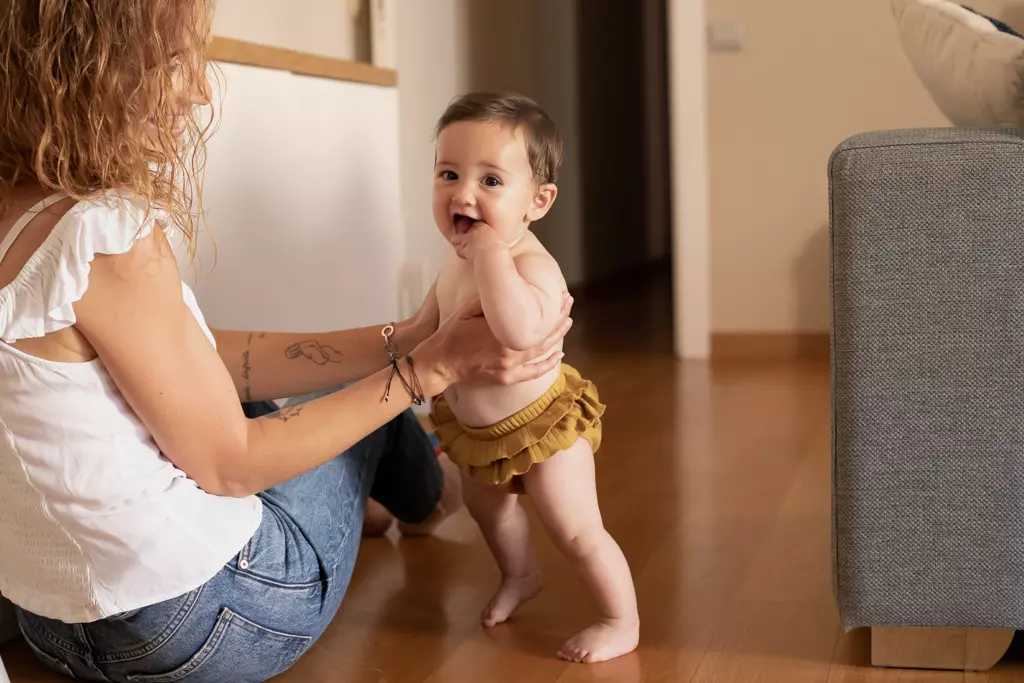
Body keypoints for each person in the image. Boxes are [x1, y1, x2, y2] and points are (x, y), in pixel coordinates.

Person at [0, 3, 571, 682]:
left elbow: (196, 358)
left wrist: (410, 339)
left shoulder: (21, 207)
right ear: (81, 68)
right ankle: (435, 497)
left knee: (306, 397)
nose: (200, 89)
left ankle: (400, 498)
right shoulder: (100, 233)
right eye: (174, 62)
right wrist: (430, 369)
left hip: (52, 622)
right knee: (367, 416)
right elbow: (231, 465)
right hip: (207, 621)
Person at [426, 92, 639, 664]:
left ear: (537, 202)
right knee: (488, 510)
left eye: (491, 181)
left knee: (574, 528)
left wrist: (493, 257)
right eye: (449, 173)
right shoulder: (455, 258)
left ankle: (621, 619)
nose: (463, 193)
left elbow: (518, 330)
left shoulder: (530, 264)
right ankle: (520, 575)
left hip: (545, 429)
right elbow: (428, 325)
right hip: (479, 433)